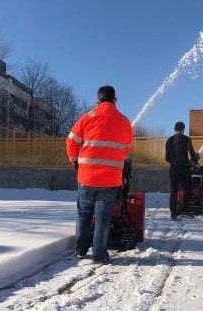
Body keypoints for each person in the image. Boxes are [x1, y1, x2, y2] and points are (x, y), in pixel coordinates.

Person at [66, 85, 134, 263]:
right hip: (110, 180)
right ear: (115, 100)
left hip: (86, 177)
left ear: (97, 101)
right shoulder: (125, 122)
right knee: (103, 218)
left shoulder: (87, 118)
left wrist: (74, 160)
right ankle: (99, 255)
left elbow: (71, 141)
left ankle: (80, 250)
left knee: (84, 215)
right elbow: (127, 150)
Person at [165, 121, 198, 220]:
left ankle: (173, 214)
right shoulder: (187, 139)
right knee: (188, 188)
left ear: (175, 129)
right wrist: (195, 160)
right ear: (183, 129)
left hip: (173, 169)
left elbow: (166, 157)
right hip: (184, 168)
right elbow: (192, 154)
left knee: (174, 190)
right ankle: (185, 211)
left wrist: (173, 161)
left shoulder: (169, 140)